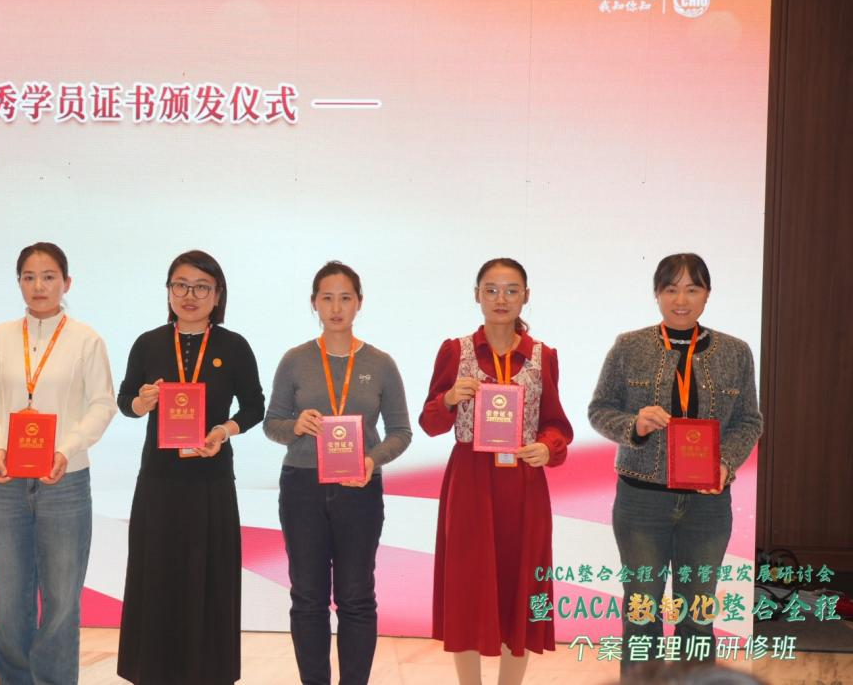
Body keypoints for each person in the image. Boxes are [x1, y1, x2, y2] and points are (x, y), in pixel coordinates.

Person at [588, 253, 762, 673]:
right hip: (641, 501)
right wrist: (634, 424)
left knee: (697, 616)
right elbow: (599, 410)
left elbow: (749, 421)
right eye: (671, 289)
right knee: (641, 614)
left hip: (707, 504)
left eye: (692, 289)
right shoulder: (629, 346)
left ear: (707, 295)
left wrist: (725, 464)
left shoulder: (736, 352)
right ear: (657, 294)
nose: (681, 300)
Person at [0, 242, 117, 685]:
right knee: (9, 599)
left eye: (49, 276)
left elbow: (102, 404)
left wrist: (66, 448)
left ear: (66, 283)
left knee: (62, 599)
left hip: (64, 481)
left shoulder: (86, 339)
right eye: (29, 277)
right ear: (19, 283)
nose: (39, 286)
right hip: (5, 480)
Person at [418, 257, 573, 685]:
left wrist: (547, 447)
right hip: (470, 481)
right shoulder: (456, 351)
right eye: (491, 289)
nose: (500, 299)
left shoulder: (543, 356)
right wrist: (449, 399)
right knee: (468, 587)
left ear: (526, 296)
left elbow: (557, 424)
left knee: (519, 588)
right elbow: (430, 423)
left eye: (511, 290)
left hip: (523, 482)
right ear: (476, 295)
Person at [116, 250, 265, 685]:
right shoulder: (148, 343)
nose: (190, 295)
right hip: (158, 483)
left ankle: (208, 673)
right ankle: (153, 672)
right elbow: (125, 400)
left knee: (209, 579)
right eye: (180, 285)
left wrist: (224, 430)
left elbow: (254, 406)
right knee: (157, 577)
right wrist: (141, 402)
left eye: (202, 287)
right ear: (168, 291)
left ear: (218, 295)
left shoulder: (233, 346)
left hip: (210, 483)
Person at [263, 260, 411, 685]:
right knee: (307, 597)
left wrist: (371, 460)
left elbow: (401, 432)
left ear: (359, 303)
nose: (336, 307)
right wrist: (295, 426)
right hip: (302, 486)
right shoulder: (295, 360)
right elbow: (272, 424)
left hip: (359, 486)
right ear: (314, 303)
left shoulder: (380, 363)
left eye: (345, 298)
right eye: (326, 298)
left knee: (356, 596)